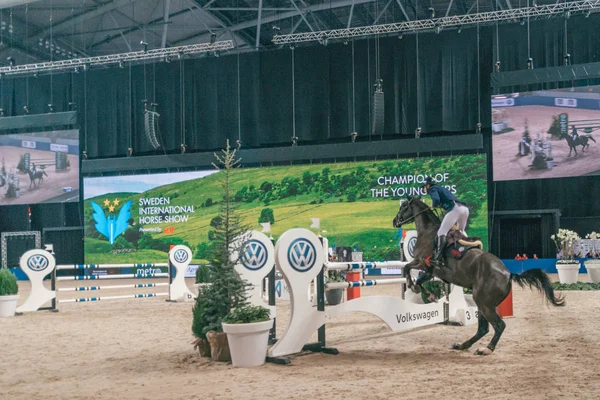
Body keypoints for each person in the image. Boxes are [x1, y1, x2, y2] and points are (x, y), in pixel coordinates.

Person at [423, 176, 470, 269]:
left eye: (424, 186)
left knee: (441, 232)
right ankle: (469, 248)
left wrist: (434, 205)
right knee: (461, 231)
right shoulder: (440, 188)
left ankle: (437, 259)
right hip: (464, 209)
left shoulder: (433, 189)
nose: (424, 188)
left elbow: (436, 200)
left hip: (455, 210)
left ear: (428, 185)